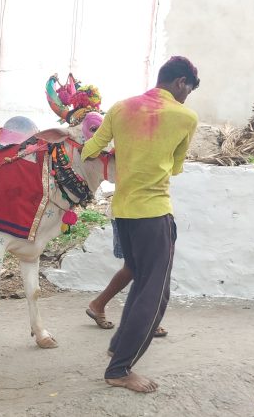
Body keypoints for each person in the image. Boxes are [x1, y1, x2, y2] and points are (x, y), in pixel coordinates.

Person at [81, 56, 199, 393]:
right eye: (188, 89)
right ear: (180, 83)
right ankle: (119, 369)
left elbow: (91, 149)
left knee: (138, 277)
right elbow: (175, 168)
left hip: (123, 213)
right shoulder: (185, 117)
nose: (187, 96)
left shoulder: (120, 109)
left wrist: (126, 152)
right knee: (155, 292)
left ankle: (119, 347)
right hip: (154, 213)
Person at [85, 220, 168, 337]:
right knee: (140, 267)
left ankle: (98, 304)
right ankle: (146, 319)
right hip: (134, 217)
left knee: (133, 268)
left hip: (139, 216)